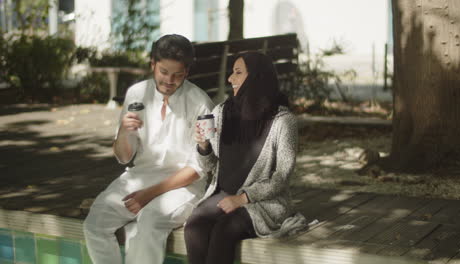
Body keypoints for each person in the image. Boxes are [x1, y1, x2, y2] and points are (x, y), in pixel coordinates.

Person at [83, 34, 214, 264]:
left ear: (187, 73)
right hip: (140, 176)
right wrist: (124, 131)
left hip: (184, 185)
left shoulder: (201, 104)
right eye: (163, 72)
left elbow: (199, 169)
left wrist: (150, 194)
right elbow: (124, 157)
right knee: (95, 224)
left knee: (148, 222)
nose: (169, 80)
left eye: (177, 75)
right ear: (152, 64)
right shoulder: (136, 94)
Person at [184, 51, 307, 264]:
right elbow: (211, 166)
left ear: (257, 77)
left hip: (264, 202)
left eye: (238, 73)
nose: (230, 78)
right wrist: (203, 146)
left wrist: (242, 199)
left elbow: (282, 177)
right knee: (195, 225)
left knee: (224, 230)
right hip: (223, 194)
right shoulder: (222, 112)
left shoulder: (283, 122)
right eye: (232, 72)